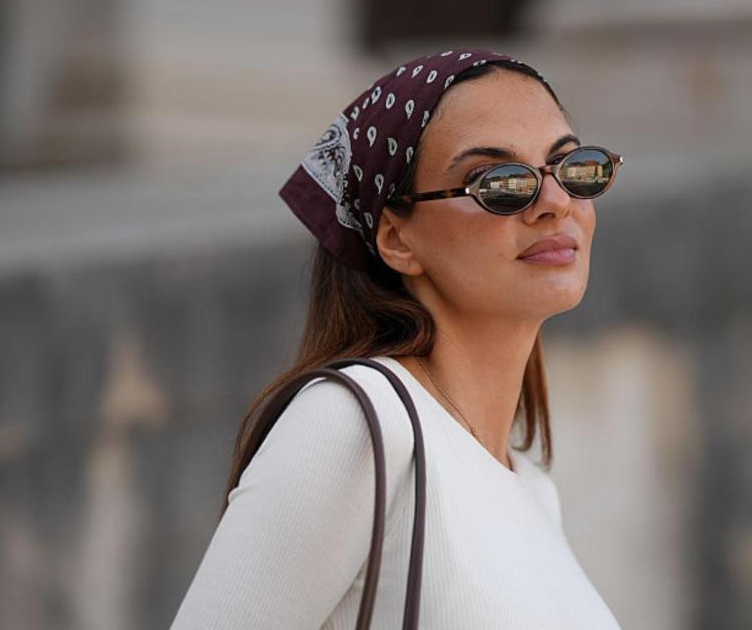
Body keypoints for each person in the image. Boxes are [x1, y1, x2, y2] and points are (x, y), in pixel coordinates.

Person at [168, 48, 625, 629]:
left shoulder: (533, 489)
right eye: (500, 183)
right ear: (396, 239)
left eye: (573, 168)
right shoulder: (356, 422)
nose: (556, 204)